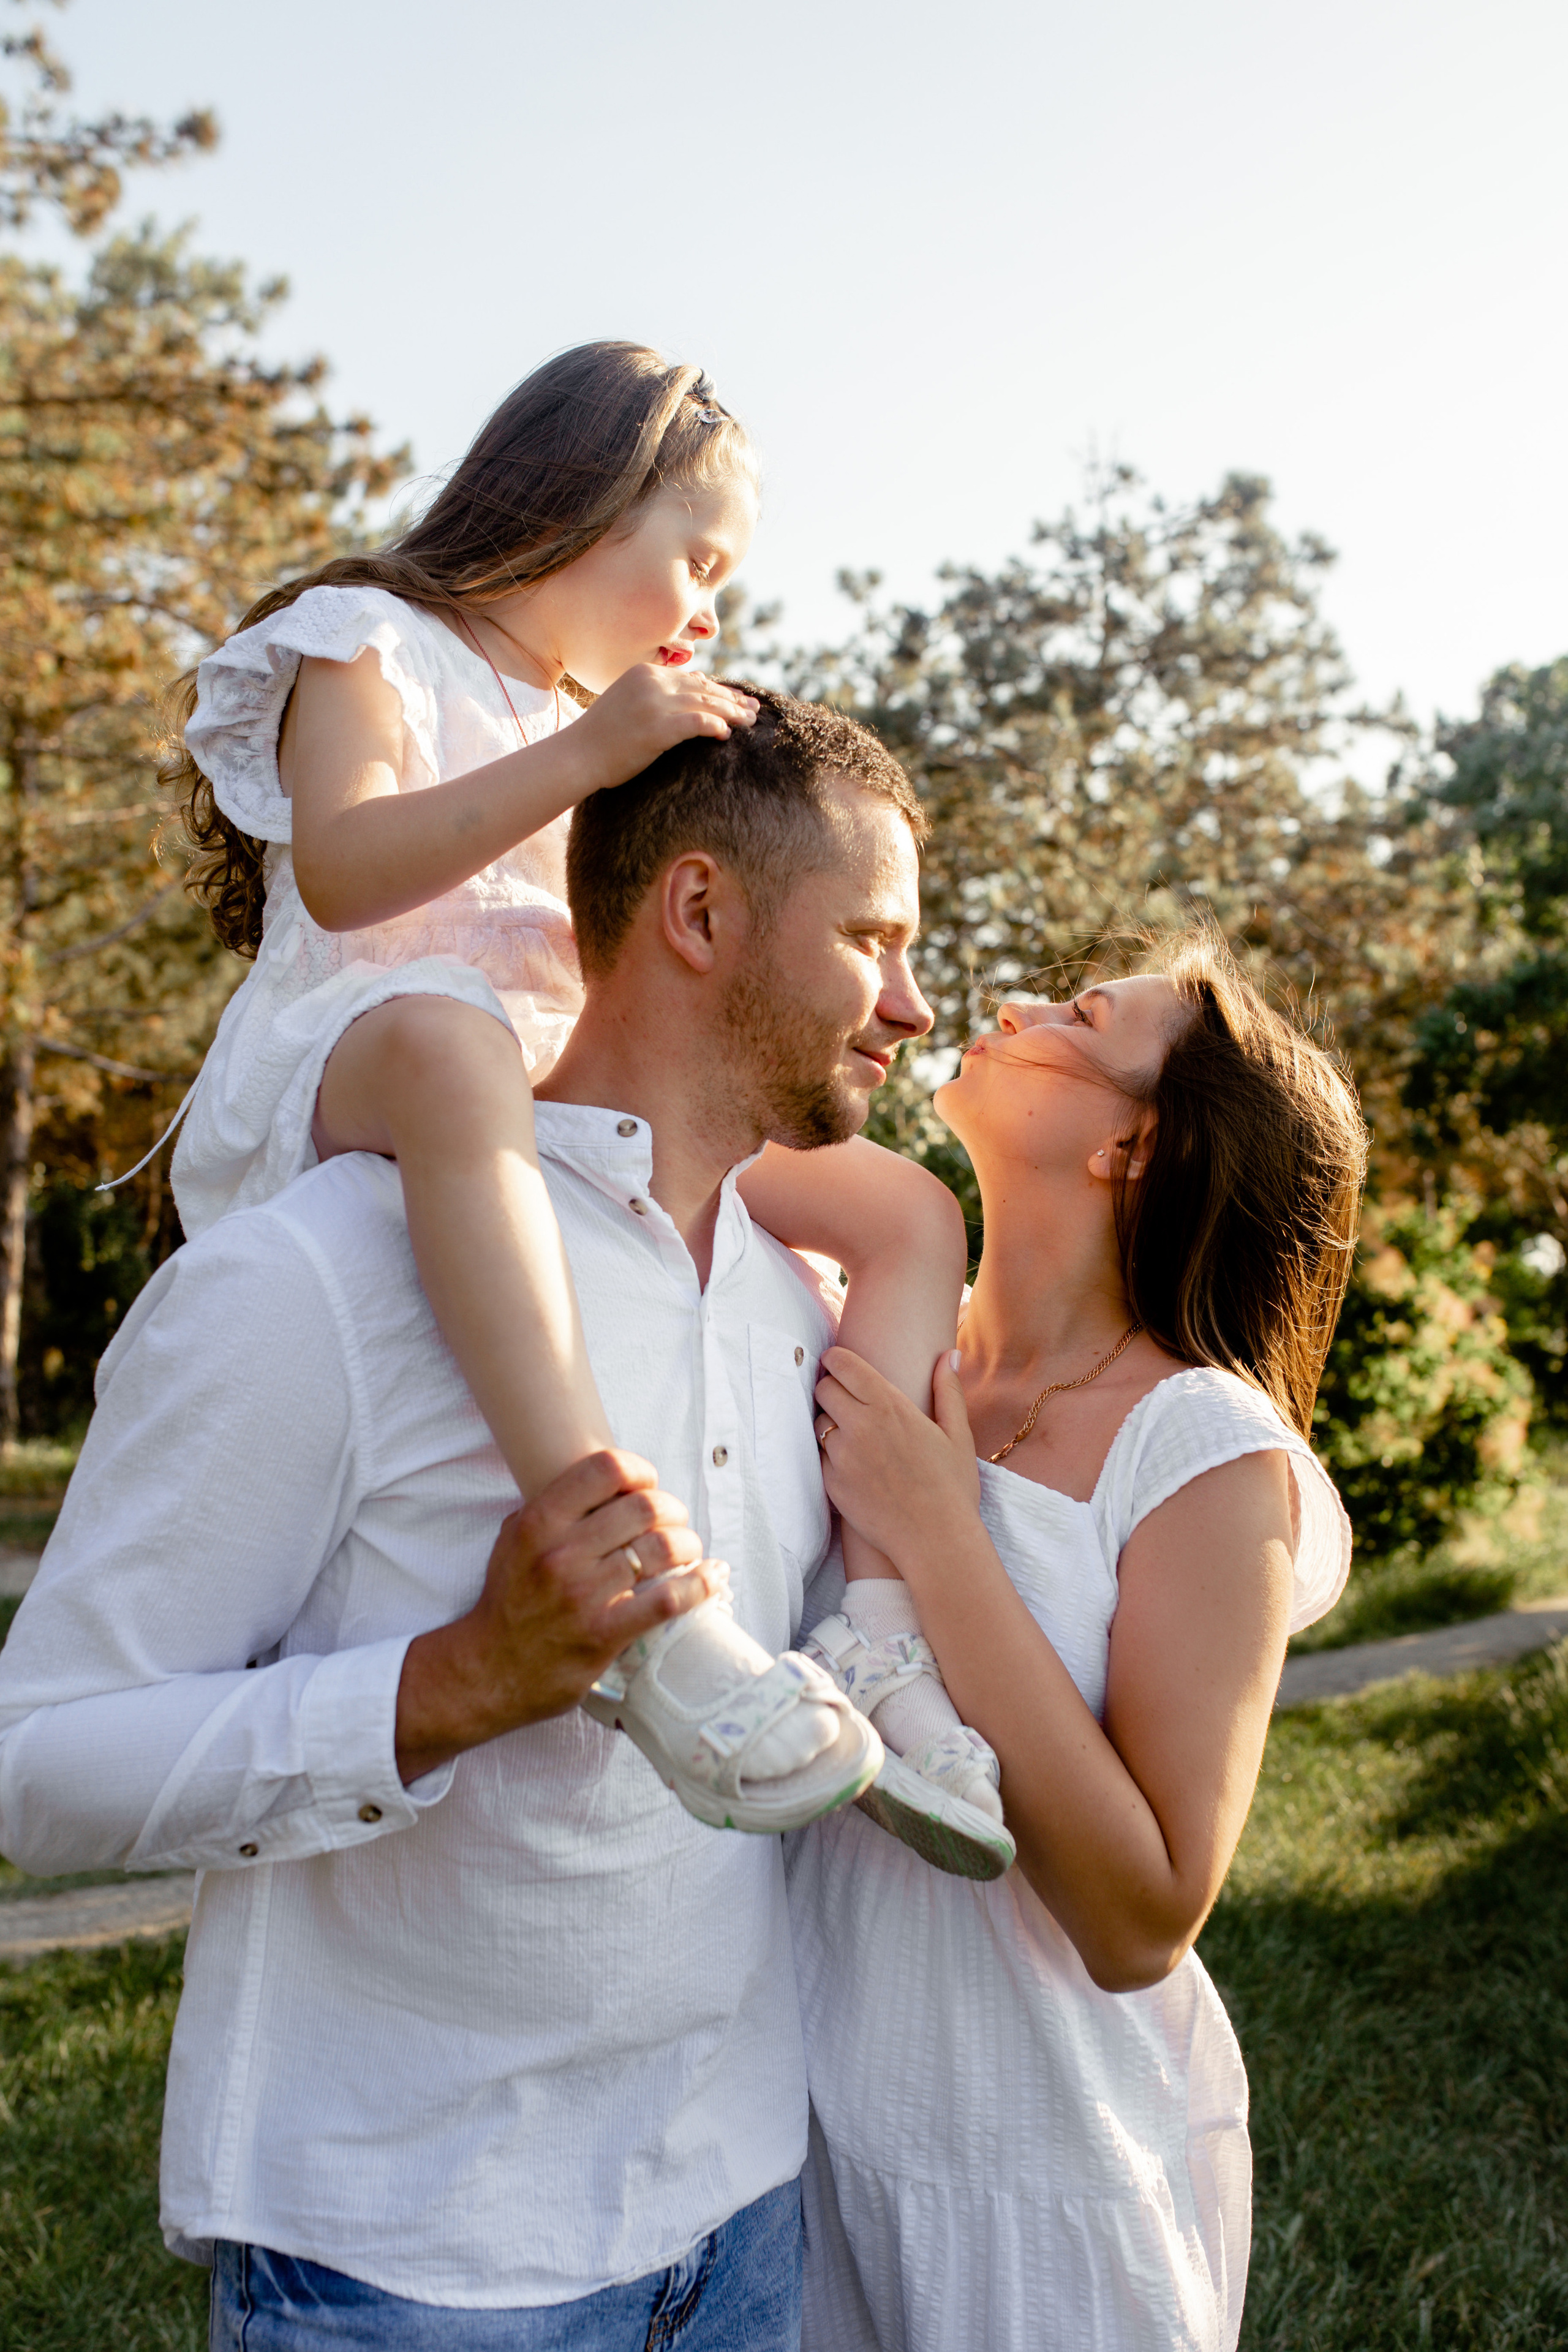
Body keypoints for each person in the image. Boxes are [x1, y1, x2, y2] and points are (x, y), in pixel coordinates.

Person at [0, 688, 949, 2346]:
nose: (915, 1005)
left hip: (742, 2225)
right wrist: (447, 1687)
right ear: (703, 912)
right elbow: (42, 1765)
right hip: (409, 2268)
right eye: (873, 940)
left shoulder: (791, 1306)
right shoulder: (326, 1276)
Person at [158, 338, 983, 1835]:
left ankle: (873, 1630)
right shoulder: (369, 640)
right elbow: (345, 876)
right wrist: (592, 751)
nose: (709, 603)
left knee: (901, 1206)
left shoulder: (591, 728)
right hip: (365, 1049)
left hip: (545, 1083)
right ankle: (630, 1576)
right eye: (698, 554)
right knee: (456, 1042)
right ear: (593, 506)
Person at [788, 926, 1369, 2352]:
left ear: (1134, 1146)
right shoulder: (851, 1324)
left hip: (1039, 2168)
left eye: (1077, 1012)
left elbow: (1142, 1914)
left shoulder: (1202, 1448)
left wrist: (935, 1534)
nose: (1008, 1002)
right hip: (795, 2139)